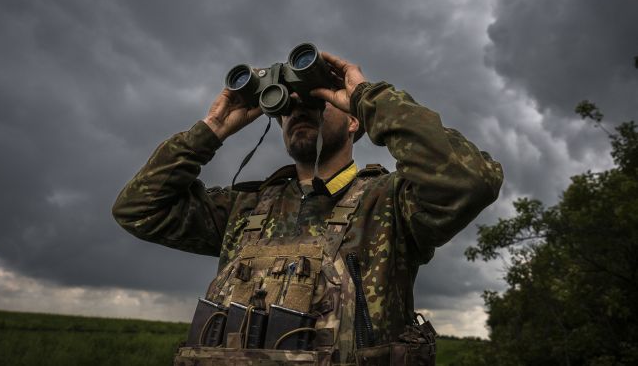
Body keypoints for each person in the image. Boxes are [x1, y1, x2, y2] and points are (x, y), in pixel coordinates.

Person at [112, 51, 503, 365]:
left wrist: (368, 97)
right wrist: (211, 129)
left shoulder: (390, 204)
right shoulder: (244, 208)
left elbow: (470, 180)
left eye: (315, 101)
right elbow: (137, 209)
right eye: (287, 107)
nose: (297, 111)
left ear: (354, 122)